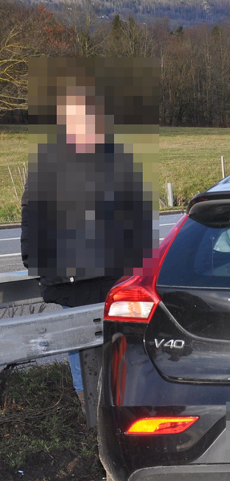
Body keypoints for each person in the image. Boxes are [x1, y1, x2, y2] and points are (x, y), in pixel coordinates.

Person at [20, 66, 155, 417]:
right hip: (72, 279)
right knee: (80, 346)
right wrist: (39, 263)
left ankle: (116, 411)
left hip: (112, 275)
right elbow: (34, 221)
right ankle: (91, 417)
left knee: (120, 343)